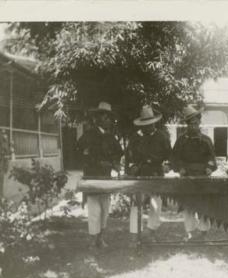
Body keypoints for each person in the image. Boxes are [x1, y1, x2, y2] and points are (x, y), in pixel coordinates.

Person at [77, 101, 122, 248]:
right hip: (92, 177)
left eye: (109, 118)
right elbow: (80, 152)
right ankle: (93, 239)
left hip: (106, 178)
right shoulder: (88, 135)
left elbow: (118, 153)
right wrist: (96, 162)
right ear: (98, 118)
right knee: (94, 211)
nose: (108, 120)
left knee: (104, 210)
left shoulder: (111, 137)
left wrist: (114, 163)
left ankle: (101, 238)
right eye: (105, 117)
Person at [127, 105, 171, 244]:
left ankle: (151, 232)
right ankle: (134, 236)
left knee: (155, 205)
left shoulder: (162, 137)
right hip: (139, 175)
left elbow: (170, 155)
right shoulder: (135, 138)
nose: (147, 127)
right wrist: (131, 167)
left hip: (156, 173)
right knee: (136, 204)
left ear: (154, 123)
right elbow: (128, 157)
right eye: (144, 125)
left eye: (150, 124)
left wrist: (167, 165)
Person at [171, 105, 217, 241]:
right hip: (186, 176)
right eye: (190, 124)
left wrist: (210, 167)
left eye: (196, 123)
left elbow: (212, 158)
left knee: (204, 206)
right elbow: (174, 158)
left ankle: (204, 233)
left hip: (203, 176)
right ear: (187, 125)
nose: (193, 127)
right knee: (188, 206)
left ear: (199, 123)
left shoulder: (207, 140)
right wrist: (180, 168)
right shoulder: (181, 141)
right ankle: (190, 233)